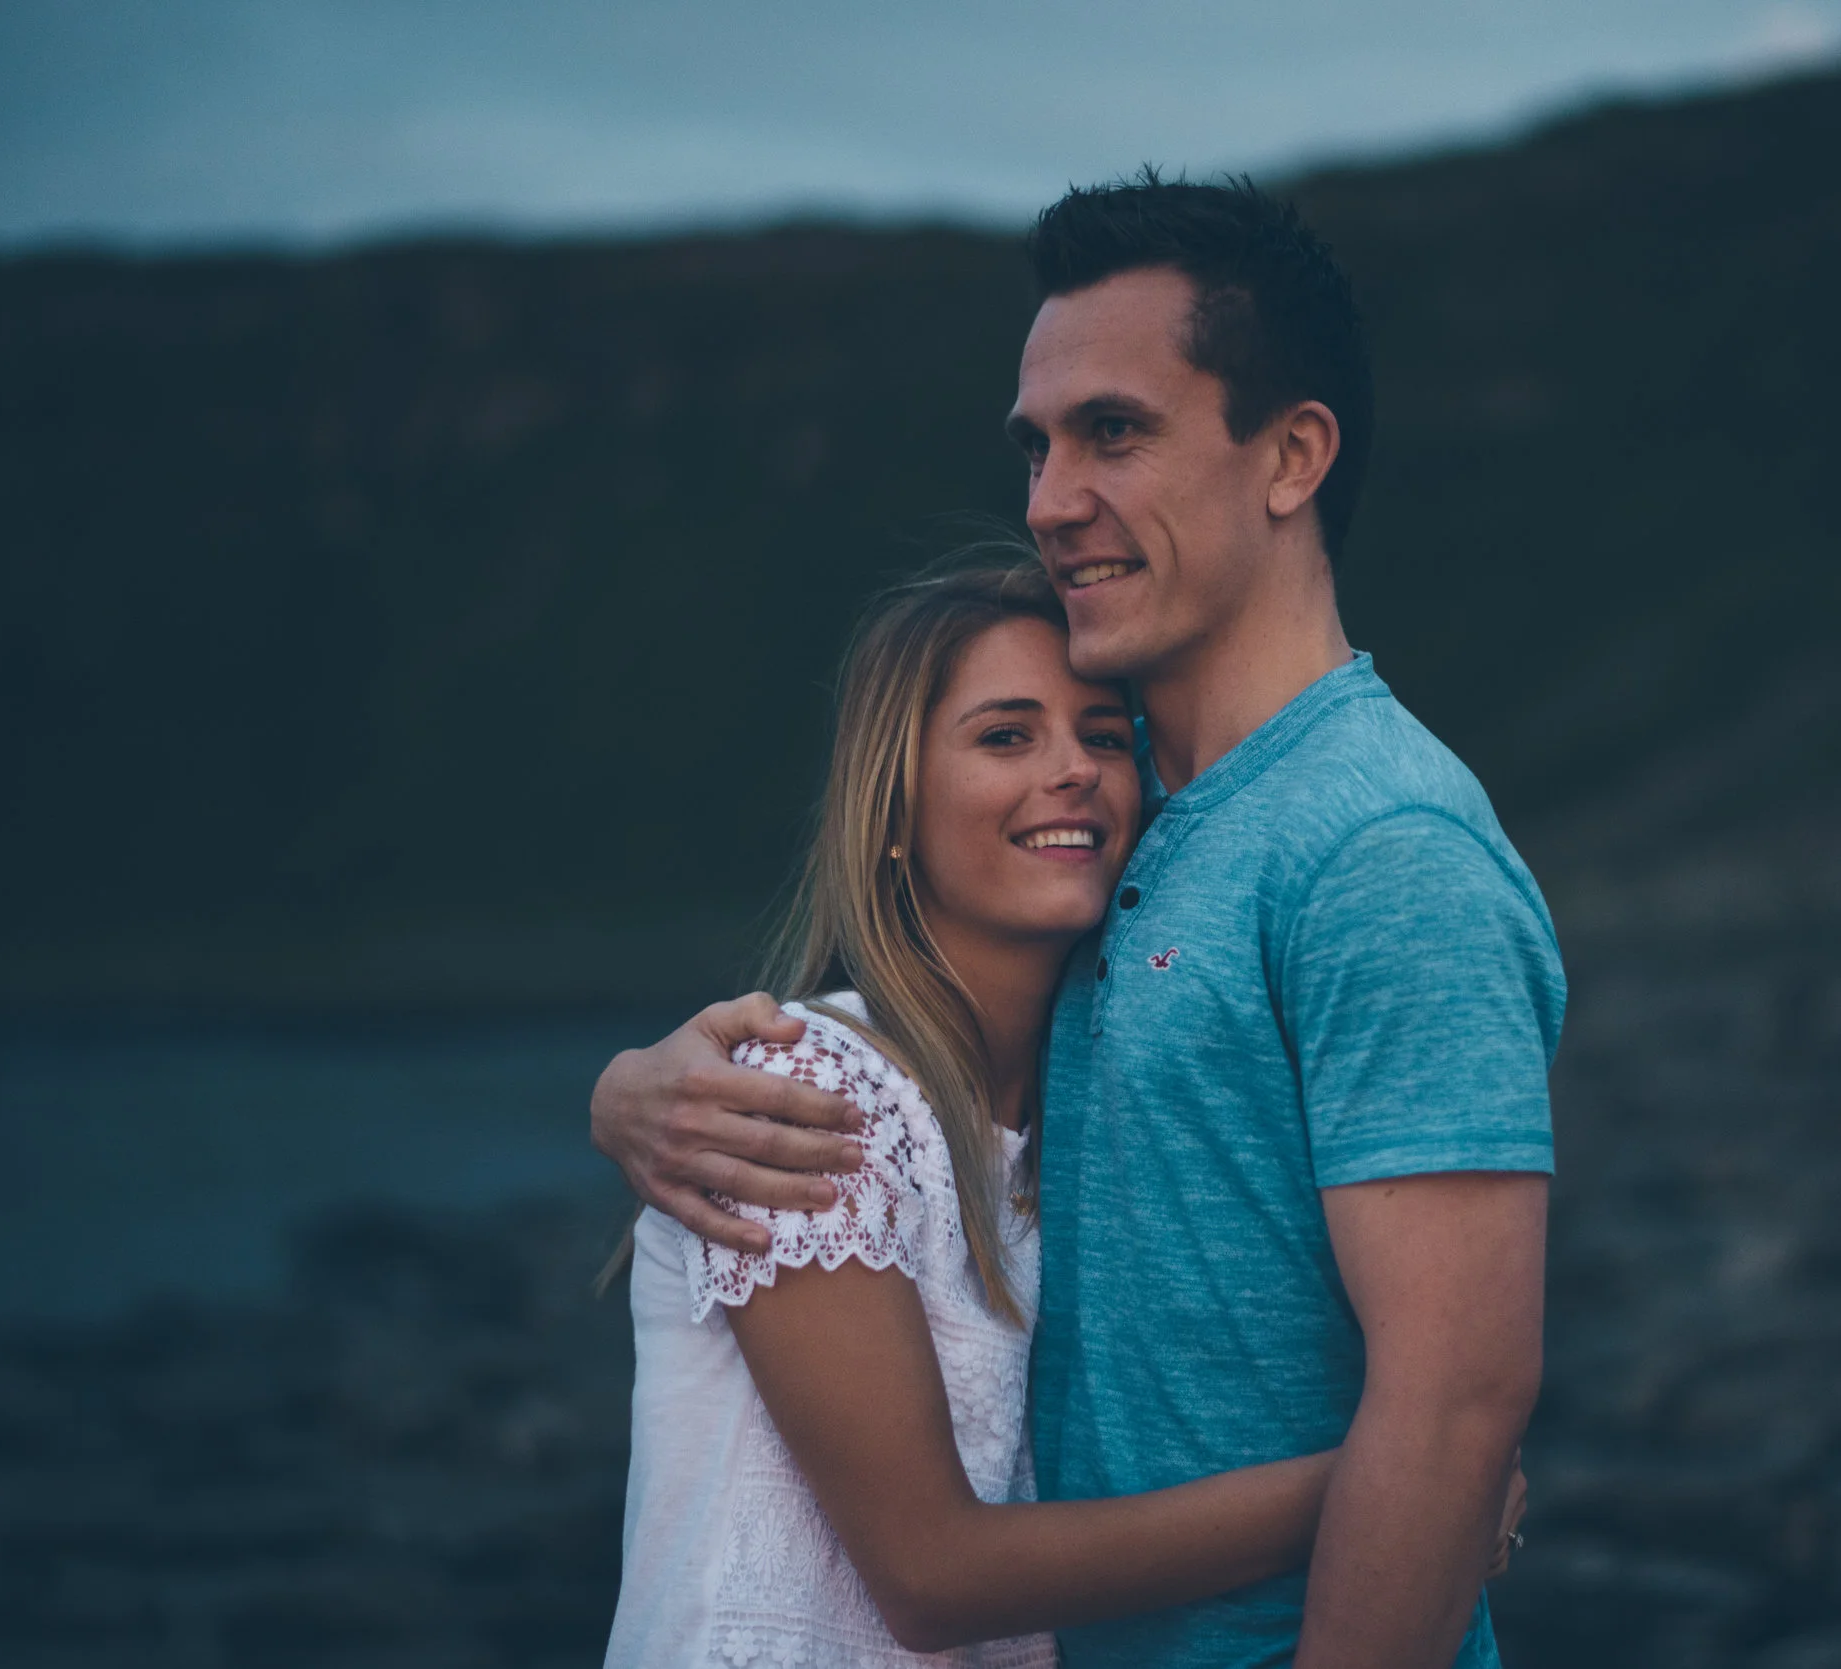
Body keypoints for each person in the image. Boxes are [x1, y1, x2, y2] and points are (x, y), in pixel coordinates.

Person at [595, 174, 1565, 1668]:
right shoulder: (1138, 837)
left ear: (1293, 454)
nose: (1051, 498)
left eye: (1114, 430)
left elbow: (1453, 1408)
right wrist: (627, 1095)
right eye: (1038, 446)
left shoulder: (1382, 845)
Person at [612, 564, 1518, 1668]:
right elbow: (932, 1575)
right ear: (893, 808)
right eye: (1006, 737)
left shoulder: (1083, 1110)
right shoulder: (809, 1099)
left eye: (1102, 735)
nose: (1072, 773)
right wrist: (1408, 1482)